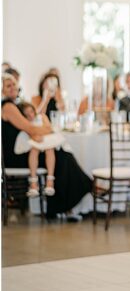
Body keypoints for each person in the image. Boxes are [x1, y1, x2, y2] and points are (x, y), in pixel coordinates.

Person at [2, 73, 91, 218]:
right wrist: (49, 129)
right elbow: (30, 128)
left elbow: (35, 121)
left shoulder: (16, 105)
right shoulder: (8, 107)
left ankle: (62, 204)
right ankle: (66, 202)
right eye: (8, 86)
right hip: (15, 156)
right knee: (62, 157)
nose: (12, 88)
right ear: (2, 90)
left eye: (13, 84)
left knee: (61, 154)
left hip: (24, 151)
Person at [14, 102, 63, 197]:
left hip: (46, 139)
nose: (31, 115)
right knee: (34, 149)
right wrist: (33, 135)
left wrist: (39, 133)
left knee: (50, 149)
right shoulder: (25, 123)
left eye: (31, 112)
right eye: (27, 114)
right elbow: (28, 130)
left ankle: (50, 180)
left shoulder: (42, 116)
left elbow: (48, 127)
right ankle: (33, 182)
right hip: (35, 140)